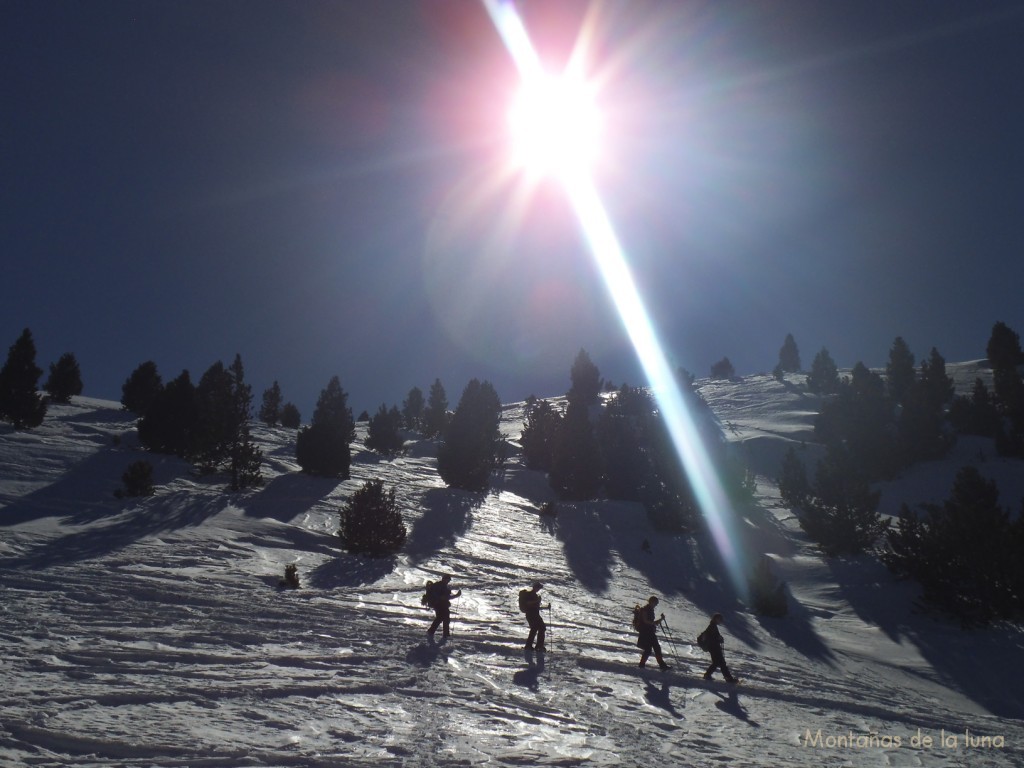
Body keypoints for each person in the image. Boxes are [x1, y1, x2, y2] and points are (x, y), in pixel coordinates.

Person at [701, 612, 737, 683]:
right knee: (718, 662)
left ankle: (727, 678)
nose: (720, 621)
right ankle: (727, 678)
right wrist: (719, 639)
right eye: (719, 619)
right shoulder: (712, 626)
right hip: (714, 648)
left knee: (720, 662)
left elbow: (713, 637)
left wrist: (719, 638)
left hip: (714, 647)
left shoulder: (713, 626)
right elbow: (711, 638)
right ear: (715, 619)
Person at [636, 596, 670, 670]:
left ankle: (661, 665)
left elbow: (651, 622)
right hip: (645, 632)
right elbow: (645, 621)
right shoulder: (645, 609)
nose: (656, 605)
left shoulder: (650, 609)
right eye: (656, 603)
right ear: (651, 602)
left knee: (655, 648)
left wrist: (660, 619)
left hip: (649, 631)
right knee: (650, 649)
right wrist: (654, 623)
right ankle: (642, 665)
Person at [426, 574, 461, 639]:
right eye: (447, 579)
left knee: (443, 618)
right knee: (441, 618)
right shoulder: (440, 586)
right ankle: (436, 633)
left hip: (441, 604)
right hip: (439, 604)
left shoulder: (441, 585)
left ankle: (438, 633)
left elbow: (445, 597)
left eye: (449, 580)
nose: (448, 581)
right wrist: (455, 596)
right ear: (444, 579)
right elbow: (443, 597)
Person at [519, 581, 547, 652]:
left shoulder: (535, 595)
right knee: (538, 628)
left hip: (534, 614)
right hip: (531, 614)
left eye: (539, 588)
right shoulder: (530, 594)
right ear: (534, 587)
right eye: (538, 587)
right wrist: (537, 601)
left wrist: (546, 607)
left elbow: (536, 607)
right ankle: (534, 646)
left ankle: (535, 646)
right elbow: (528, 603)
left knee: (539, 628)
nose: (538, 589)